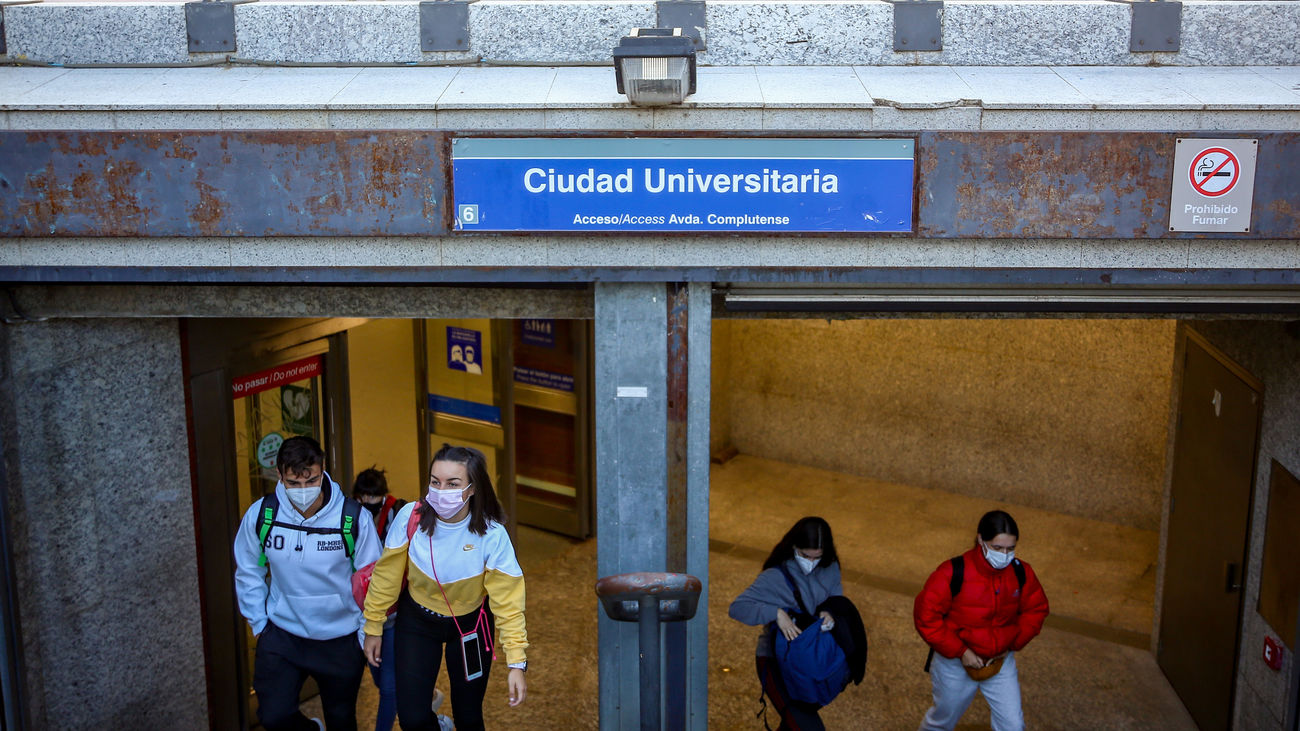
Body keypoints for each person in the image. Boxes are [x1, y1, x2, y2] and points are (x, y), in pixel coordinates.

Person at [362, 444, 528, 731]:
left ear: (472, 488)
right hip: (417, 621)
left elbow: (508, 602)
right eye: (435, 482)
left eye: (453, 484)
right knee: (412, 719)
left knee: (469, 717)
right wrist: (373, 625)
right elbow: (386, 576)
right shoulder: (410, 518)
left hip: (470, 626)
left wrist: (516, 663)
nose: (441, 491)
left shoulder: (492, 534)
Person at [234, 436, 382, 731]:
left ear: (323, 469)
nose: (304, 490)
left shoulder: (353, 518)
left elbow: (375, 580)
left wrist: (366, 631)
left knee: (341, 721)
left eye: (311, 480)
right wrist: (259, 623)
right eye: (293, 483)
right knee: (273, 717)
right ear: (280, 475)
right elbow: (249, 568)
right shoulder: (263, 515)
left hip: (340, 638)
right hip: (283, 634)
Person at [913, 510, 1050, 731]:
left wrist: (1011, 645)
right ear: (980, 539)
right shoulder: (952, 572)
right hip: (955, 663)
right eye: (997, 548)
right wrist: (961, 652)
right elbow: (926, 617)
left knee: (1013, 725)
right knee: (941, 721)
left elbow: (1036, 610)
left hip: (1000, 662)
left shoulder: (1021, 572)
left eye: (1010, 548)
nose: (1005, 555)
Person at [729, 517, 844, 731]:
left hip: (811, 661)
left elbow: (837, 598)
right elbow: (737, 608)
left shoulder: (830, 567)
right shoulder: (775, 576)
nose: (811, 563)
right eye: (805, 556)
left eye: (817, 557)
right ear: (794, 547)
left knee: (794, 724)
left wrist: (830, 612)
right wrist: (776, 613)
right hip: (776, 660)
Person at [351, 467, 406, 731]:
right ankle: (428, 699)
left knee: (388, 687)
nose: (370, 504)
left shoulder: (397, 514)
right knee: (378, 675)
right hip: (363, 611)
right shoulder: (350, 518)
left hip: (394, 611)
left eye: (375, 499)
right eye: (365, 499)